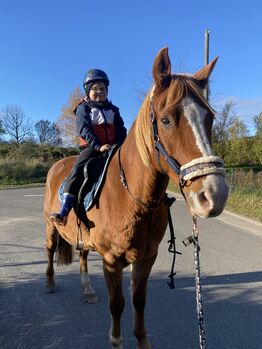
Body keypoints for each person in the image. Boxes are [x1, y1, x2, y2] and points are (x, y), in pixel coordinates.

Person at [50, 69, 127, 225]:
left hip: (114, 148)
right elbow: (84, 130)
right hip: (92, 148)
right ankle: (64, 211)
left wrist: (119, 145)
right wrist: (99, 146)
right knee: (78, 168)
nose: (99, 92)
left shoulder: (114, 110)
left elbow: (121, 129)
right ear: (87, 90)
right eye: (95, 89)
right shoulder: (83, 108)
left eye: (103, 89)